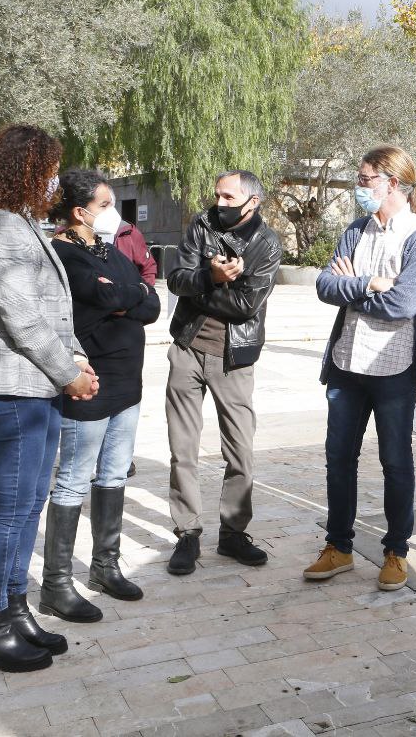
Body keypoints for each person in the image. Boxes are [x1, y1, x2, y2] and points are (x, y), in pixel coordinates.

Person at [0, 124, 99, 673]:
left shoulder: (20, 224)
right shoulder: (0, 227)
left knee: (28, 506)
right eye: (47, 169)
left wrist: (77, 359)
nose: (54, 181)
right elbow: (21, 316)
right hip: (11, 387)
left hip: (34, 383)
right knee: (10, 510)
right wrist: (69, 373)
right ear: (24, 169)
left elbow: (51, 309)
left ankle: (16, 611)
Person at [304, 145, 416, 591]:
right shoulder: (356, 230)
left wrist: (353, 290)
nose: (358, 188)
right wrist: (369, 283)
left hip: (395, 368)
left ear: (392, 183)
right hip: (347, 363)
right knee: (338, 458)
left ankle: (396, 551)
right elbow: (325, 285)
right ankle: (338, 546)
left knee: (395, 461)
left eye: (364, 180)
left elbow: (404, 304)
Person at [37, 169, 160, 623]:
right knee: (73, 478)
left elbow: (151, 301)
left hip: (129, 381)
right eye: (106, 205)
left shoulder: (110, 250)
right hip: (90, 381)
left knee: (113, 474)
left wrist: (125, 296)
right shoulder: (63, 254)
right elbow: (95, 294)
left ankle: (106, 566)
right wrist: (127, 296)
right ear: (79, 211)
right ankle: (56, 583)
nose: (114, 214)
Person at [165, 170, 281, 575]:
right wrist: (211, 277)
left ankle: (232, 534)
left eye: (229, 197)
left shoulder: (267, 244)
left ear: (253, 202)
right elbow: (176, 280)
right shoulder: (201, 225)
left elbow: (246, 306)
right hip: (187, 348)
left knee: (240, 450)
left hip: (235, 358)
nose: (220, 204)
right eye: (218, 196)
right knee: (183, 450)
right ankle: (187, 534)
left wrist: (204, 289)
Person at [109, 214, 157, 479]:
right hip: (90, 327)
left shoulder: (129, 233)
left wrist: (141, 293)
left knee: (126, 396)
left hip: (127, 325)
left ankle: (122, 459)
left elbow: (148, 268)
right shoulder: (67, 236)